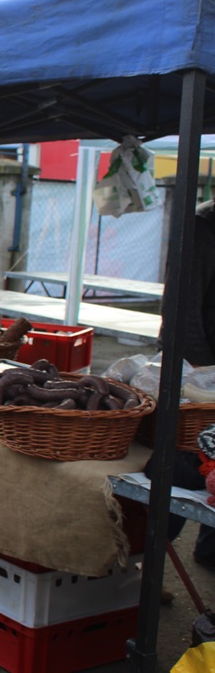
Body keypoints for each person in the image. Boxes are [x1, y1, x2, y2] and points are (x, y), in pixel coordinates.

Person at [149, 198, 215, 570]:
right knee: (183, 463)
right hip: (196, 373)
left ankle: (209, 549)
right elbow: (182, 311)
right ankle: (145, 567)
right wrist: (206, 376)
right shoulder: (202, 227)